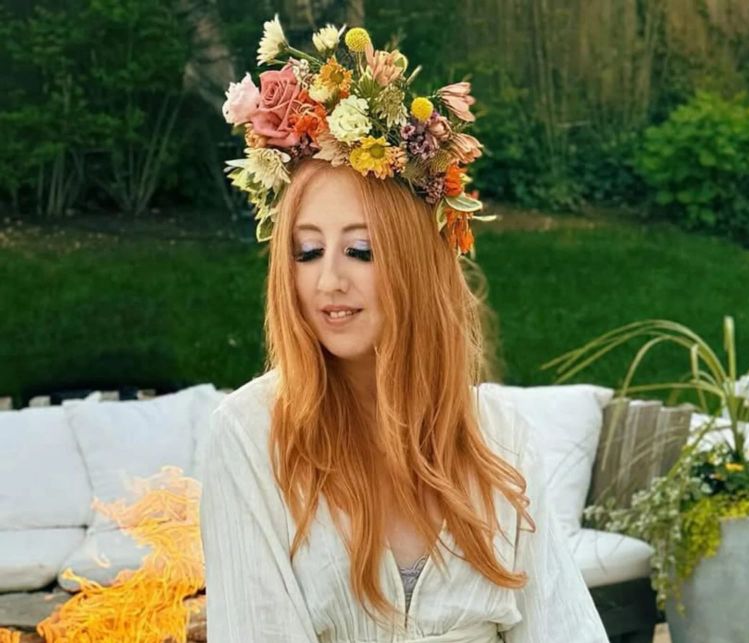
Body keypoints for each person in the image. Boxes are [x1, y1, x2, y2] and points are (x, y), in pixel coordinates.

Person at [199, 16, 608, 643]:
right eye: (308, 253)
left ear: (414, 265)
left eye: (359, 251)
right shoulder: (253, 436)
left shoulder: (499, 436)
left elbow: (562, 627)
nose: (328, 281)